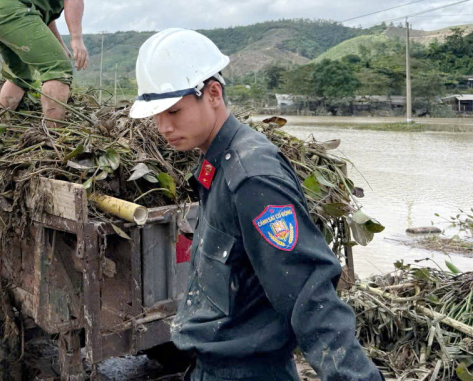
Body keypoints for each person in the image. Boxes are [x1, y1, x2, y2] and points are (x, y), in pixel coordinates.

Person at [129, 28, 382, 381]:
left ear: (213, 94)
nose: (163, 127)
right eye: (156, 116)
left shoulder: (252, 177)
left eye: (173, 111)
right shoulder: (216, 164)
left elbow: (309, 294)